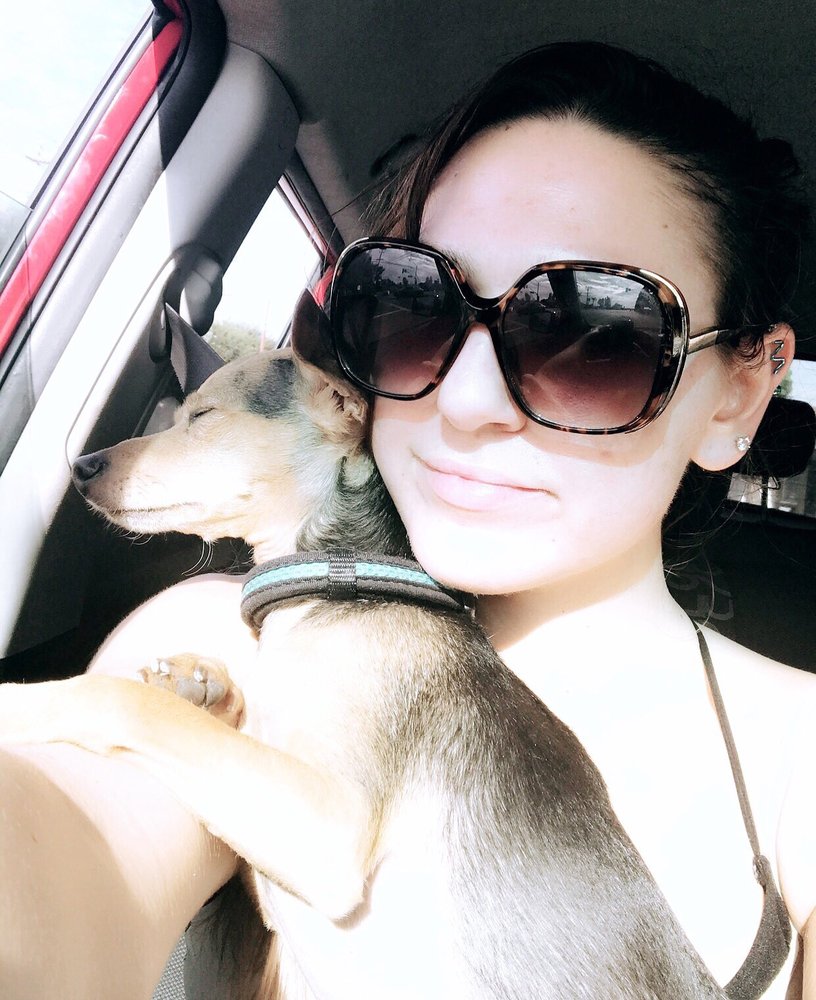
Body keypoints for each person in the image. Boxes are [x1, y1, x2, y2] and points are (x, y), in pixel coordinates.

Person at [0, 40, 813, 1000]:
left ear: (737, 395)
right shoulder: (233, 635)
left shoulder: (799, 762)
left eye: (596, 336)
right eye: (414, 306)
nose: (465, 400)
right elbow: (72, 851)